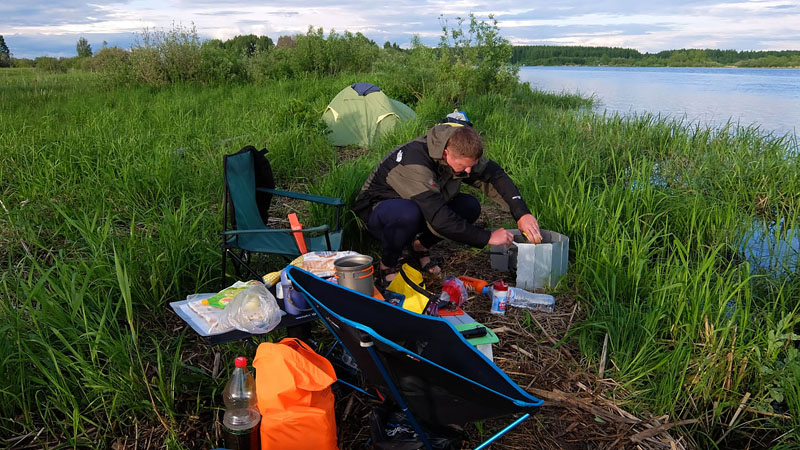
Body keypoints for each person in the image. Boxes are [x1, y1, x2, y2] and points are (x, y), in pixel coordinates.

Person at [353, 122, 542, 284]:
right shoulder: (414, 162)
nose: (469, 171)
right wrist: (487, 238)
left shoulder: (460, 149)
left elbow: (495, 176)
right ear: (446, 154)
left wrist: (521, 213)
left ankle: (420, 246)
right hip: (379, 210)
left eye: (472, 165)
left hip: (421, 203)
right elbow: (439, 219)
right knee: (407, 213)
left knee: (469, 206)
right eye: (464, 166)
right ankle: (387, 264)